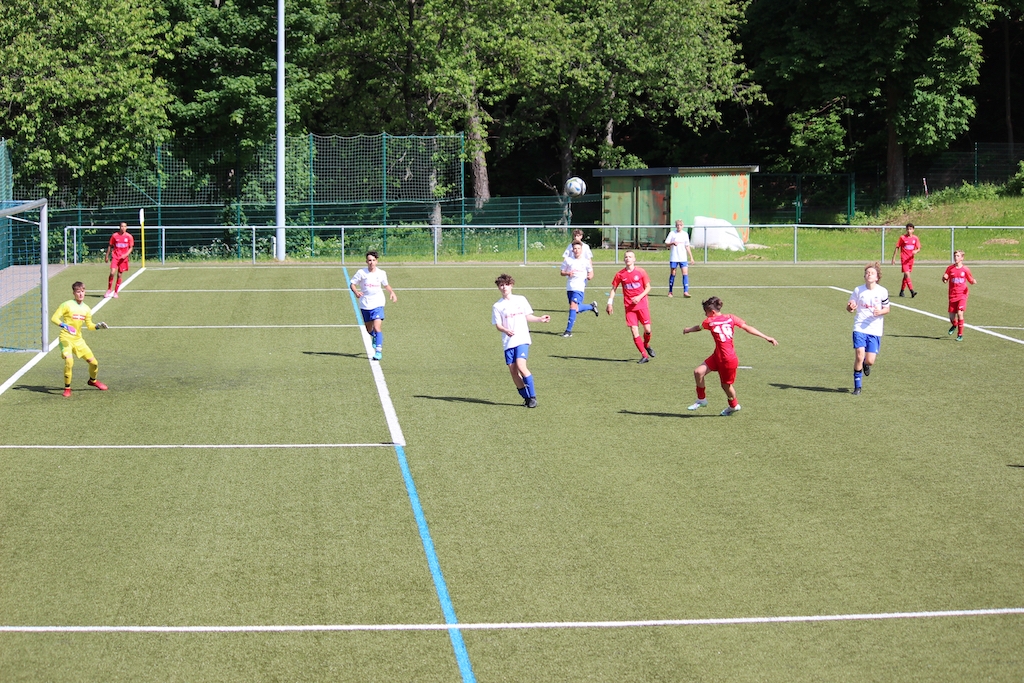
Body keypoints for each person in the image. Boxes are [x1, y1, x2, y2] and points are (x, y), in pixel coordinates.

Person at [682, 296, 777, 416]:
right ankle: (702, 400)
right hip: (717, 356)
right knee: (698, 372)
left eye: (706, 312)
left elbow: (698, 328)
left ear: (712, 312)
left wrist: (688, 330)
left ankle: (734, 405)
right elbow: (747, 328)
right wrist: (766, 337)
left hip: (728, 359)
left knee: (726, 386)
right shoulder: (731, 317)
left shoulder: (709, 321)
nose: (705, 315)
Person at [492, 273, 550, 408]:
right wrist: (505, 330)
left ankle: (533, 396)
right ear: (499, 288)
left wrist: (540, 319)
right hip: (508, 342)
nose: (504, 287)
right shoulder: (497, 306)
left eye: (506, 284)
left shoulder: (521, 299)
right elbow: (498, 325)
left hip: (522, 338)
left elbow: (528, 316)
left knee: (521, 365)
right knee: (513, 371)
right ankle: (527, 398)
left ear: (511, 285)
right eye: (501, 285)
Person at [51, 281, 109, 397]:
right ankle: (67, 388)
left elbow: (89, 325)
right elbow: (54, 318)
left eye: (83, 291)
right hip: (65, 338)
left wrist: (98, 326)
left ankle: (93, 381)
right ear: (74, 293)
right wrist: (65, 325)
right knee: (69, 361)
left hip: (78, 340)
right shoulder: (66, 305)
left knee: (94, 363)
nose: (81, 294)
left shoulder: (86, 309)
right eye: (78, 292)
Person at [846, 262, 890, 395]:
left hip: (875, 329)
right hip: (859, 327)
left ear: (877, 277)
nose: (869, 274)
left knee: (869, 361)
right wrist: (851, 307)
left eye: (872, 273)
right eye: (867, 273)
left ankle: (865, 364)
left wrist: (880, 312)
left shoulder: (882, 291)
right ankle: (857, 387)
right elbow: (849, 307)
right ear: (864, 276)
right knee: (859, 355)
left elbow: (887, 309)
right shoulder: (858, 290)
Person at [606, 250, 654, 363]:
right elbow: (613, 289)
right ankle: (644, 355)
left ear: (634, 259)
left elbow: (648, 287)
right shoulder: (620, 274)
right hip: (629, 307)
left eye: (630, 257)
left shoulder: (641, 272)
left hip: (642, 305)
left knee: (647, 330)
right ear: (624, 259)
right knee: (634, 330)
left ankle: (646, 344)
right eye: (626, 257)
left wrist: (639, 297)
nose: (628, 258)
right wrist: (609, 302)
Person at [350, 250, 397, 361]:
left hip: (378, 303)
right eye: (369, 260)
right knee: (369, 329)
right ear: (366, 261)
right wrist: (356, 292)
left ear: (377, 261)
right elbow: (352, 284)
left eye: (373, 260)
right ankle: (375, 337)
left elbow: (386, 285)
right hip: (365, 304)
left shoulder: (381, 273)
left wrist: (392, 292)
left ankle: (378, 351)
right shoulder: (361, 272)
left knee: (377, 327)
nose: (371, 262)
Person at [559, 241, 599, 337]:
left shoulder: (585, 261)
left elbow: (591, 272)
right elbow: (562, 272)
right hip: (570, 287)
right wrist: (568, 273)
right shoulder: (568, 260)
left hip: (579, 287)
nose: (576, 250)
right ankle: (591, 306)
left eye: (578, 248)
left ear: (581, 250)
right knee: (575, 309)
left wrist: (590, 276)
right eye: (575, 249)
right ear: (572, 250)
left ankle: (568, 331)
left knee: (573, 307)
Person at [942, 249, 977, 342]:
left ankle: (960, 334)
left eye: (958, 256)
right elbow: (945, 279)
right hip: (952, 295)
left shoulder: (965, 269)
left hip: (962, 295)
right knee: (951, 317)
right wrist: (944, 278)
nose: (955, 257)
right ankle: (954, 324)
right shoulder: (950, 268)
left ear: (962, 258)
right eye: (955, 256)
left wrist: (973, 281)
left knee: (960, 313)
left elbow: (970, 280)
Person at [665, 219, 695, 298]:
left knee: (685, 273)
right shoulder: (672, 233)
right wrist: (672, 243)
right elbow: (666, 243)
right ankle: (670, 291)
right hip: (674, 257)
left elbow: (687, 246)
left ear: (683, 226)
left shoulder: (685, 234)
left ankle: (686, 291)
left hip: (683, 258)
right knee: (673, 273)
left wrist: (691, 257)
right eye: (677, 225)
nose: (679, 226)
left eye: (680, 225)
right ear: (676, 226)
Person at [105, 221, 135, 298]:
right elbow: (110, 245)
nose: (123, 228)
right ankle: (109, 289)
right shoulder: (115, 236)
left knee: (119, 274)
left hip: (123, 259)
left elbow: (131, 247)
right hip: (115, 256)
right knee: (112, 272)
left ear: (126, 228)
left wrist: (125, 255)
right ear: (119, 227)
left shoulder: (129, 237)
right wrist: (107, 255)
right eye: (122, 226)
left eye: (125, 226)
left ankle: (116, 292)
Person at [890, 222, 921, 298]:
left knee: (905, 276)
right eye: (908, 229)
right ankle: (912, 291)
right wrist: (893, 258)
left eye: (910, 229)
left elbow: (919, 248)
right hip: (904, 259)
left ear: (913, 230)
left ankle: (902, 291)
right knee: (907, 274)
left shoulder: (915, 238)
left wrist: (916, 251)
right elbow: (897, 247)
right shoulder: (902, 238)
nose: (909, 230)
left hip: (911, 259)